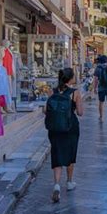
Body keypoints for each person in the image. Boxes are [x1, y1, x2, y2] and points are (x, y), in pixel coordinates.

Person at [45, 67, 83, 203]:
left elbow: (45, 110)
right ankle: (69, 181)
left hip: (54, 128)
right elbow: (80, 112)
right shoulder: (75, 93)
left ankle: (56, 184)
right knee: (70, 153)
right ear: (70, 78)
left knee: (57, 154)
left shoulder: (52, 91)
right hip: (70, 127)